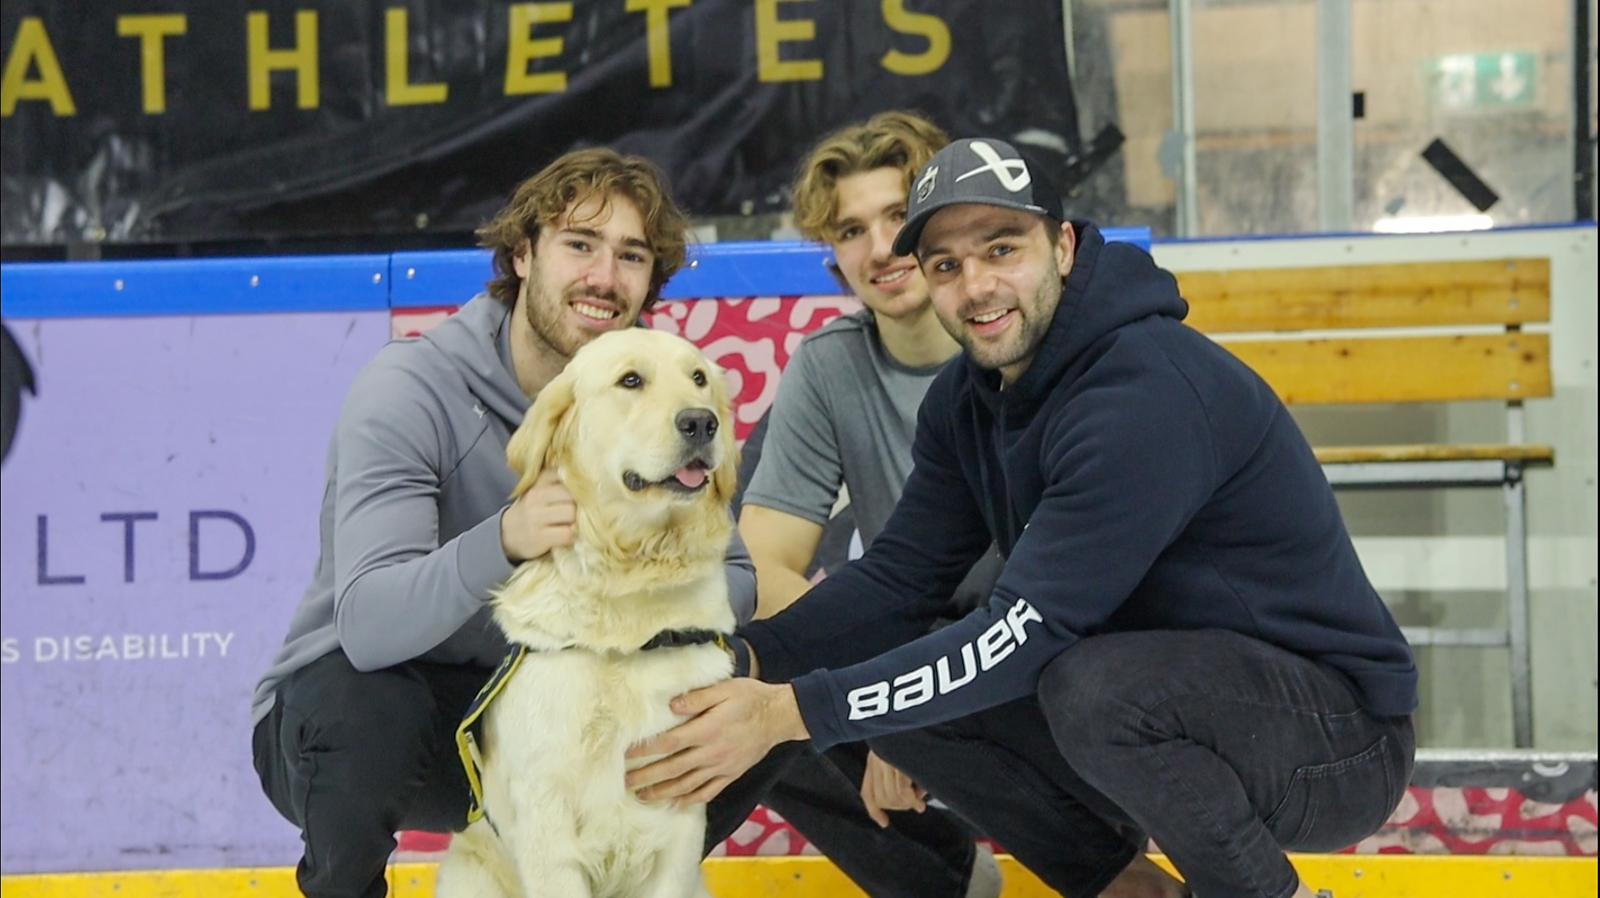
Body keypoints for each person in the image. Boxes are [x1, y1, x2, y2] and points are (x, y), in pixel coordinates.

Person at [627, 137, 1419, 898]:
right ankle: (1121, 886)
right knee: (891, 662)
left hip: (1337, 744)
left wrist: (793, 710)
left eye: (1003, 249)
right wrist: (745, 664)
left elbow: (1024, 633)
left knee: (1091, 688)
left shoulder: (1140, 394)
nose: (976, 287)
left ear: (1065, 248)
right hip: (1166, 708)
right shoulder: (966, 400)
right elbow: (899, 581)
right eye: (947, 265)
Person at [250, 148, 790, 898]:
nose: (604, 276)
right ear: (522, 253)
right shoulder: (411, 390)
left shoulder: (657, 416)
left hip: (556, 710)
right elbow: (369, 627)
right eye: (579, 244)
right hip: (399, 716)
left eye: (631, 255)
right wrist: (505, 539)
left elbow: (730, 578)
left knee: (754, 683)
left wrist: (645, 602)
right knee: (366, 708)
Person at [737, 111, 1004, 898]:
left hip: (1037, 633)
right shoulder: (828, 368)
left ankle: (1108, 869)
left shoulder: (1009, 341)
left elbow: (1057, 590)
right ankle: (945, 875)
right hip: (911, 637)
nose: (880, 249)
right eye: (851, 230)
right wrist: (886, 702)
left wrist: (906, 700)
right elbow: (764, 568)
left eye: (897, 217)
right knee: (741, 677)